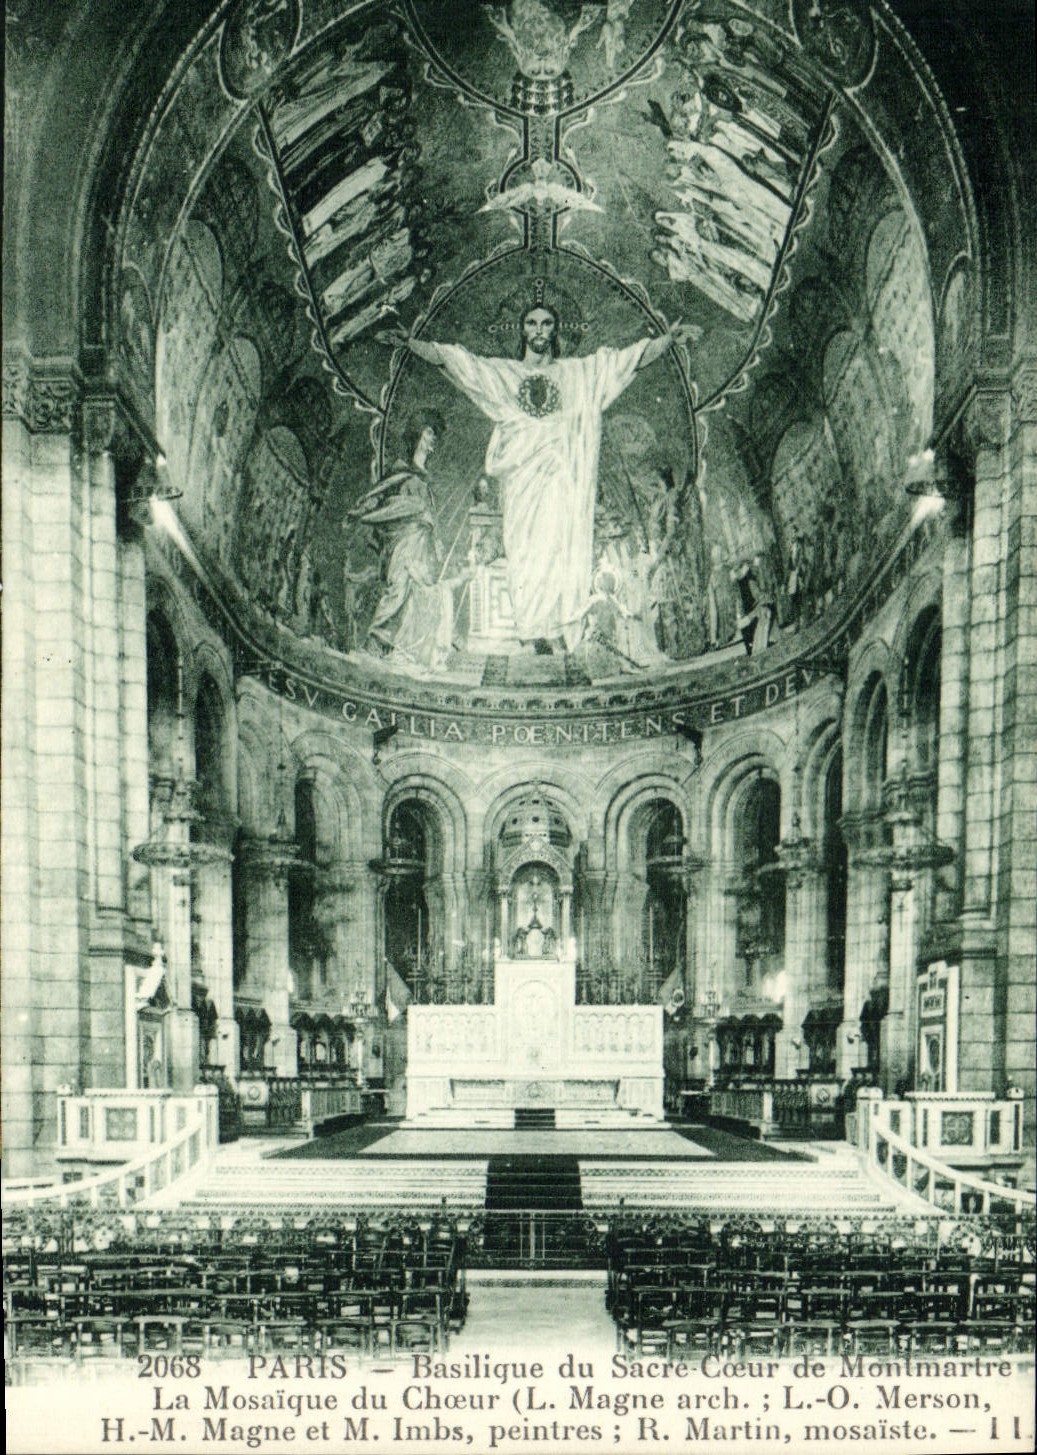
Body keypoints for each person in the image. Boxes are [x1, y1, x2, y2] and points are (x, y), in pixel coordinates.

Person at [387, 304, 687, 653]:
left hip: (562, 483)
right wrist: (411, 344)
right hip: (522, 487)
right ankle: (531, 632)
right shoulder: (507, 374)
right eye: (532, 323)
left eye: (547, 323)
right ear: (523, 330)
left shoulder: (577, 374)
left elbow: (625, 361)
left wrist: (667, 340)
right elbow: (459, 363)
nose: (539, 329)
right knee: (526, 555)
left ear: (555, 329)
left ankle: (555, 631)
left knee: (558, 551)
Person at [353, 414, 456, 671]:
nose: (433, 439)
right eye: (429, 432)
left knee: (416, 596)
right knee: (399, 588)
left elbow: (429, 515)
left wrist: (434, 537)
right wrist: (414, 509)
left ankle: (399, 650)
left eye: (434, 435)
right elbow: (387, 502)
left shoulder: (425, 479)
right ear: (417, 434)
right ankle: (374, 643)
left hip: (422, 542)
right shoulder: (402, 471)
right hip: (403, 540)